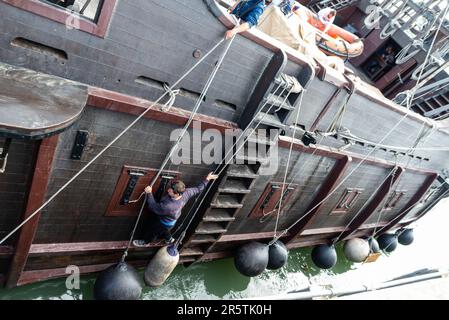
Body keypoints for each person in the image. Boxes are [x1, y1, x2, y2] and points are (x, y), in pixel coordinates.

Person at [133, 172, 219, 247]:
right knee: (165, 230)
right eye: (170, 189)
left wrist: (149, 193)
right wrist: (207, 179)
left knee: (154, 231)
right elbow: (198, 189)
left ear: (177, 194)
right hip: (172, 221)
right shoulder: (187, 192)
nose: (168, 190)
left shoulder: (168, 206)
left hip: (164, 222)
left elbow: (153, 206)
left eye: (171, 191)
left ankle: (146, 242)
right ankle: (169, 239)